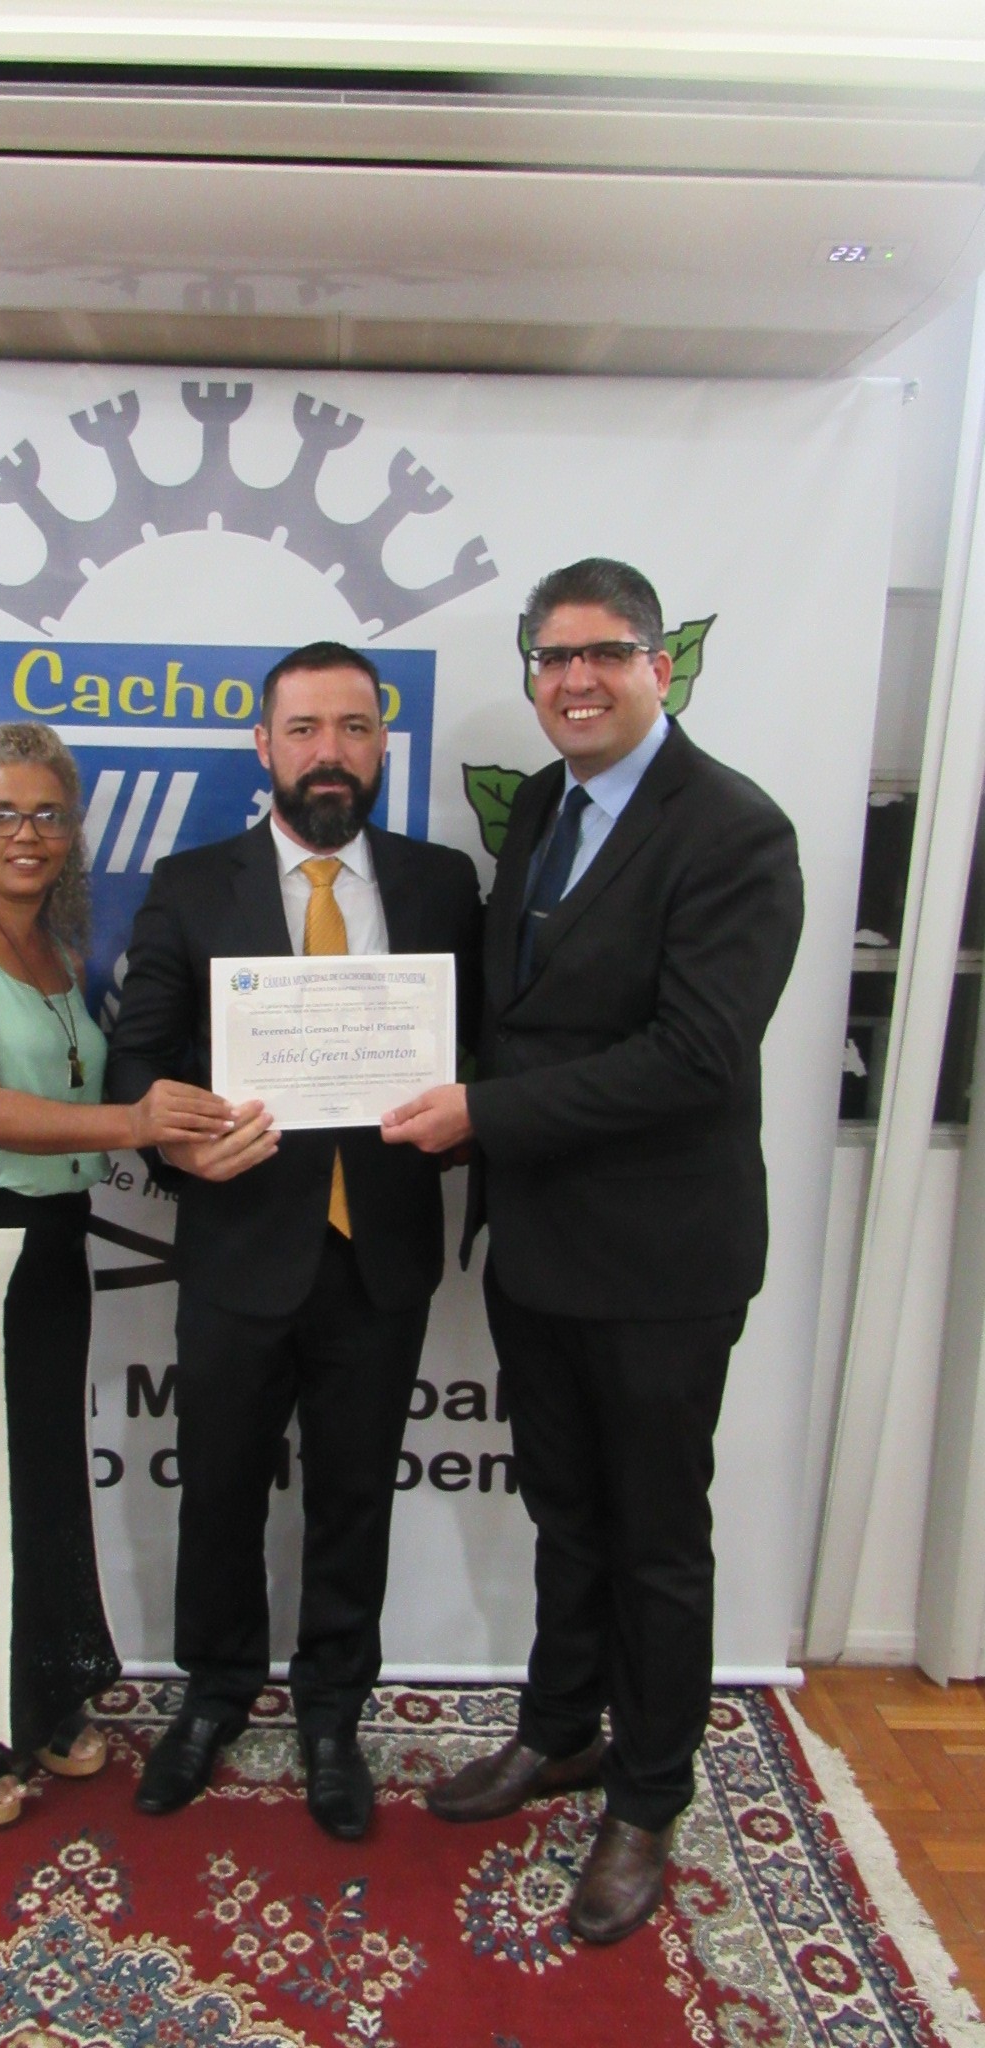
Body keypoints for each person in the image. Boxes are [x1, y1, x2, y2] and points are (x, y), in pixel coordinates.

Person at [384, 559, 803, 1942]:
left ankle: (648, 1795)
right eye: (552, 656)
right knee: (567, 1515)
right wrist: (437, 1100)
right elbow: (528, 1016)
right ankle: (561, 1727)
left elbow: (694, 1055)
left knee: (656, 1542)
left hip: (663, 1261)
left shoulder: (735, 829)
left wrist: (484, 1112)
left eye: (605, 653)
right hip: (541, 1243)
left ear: (658, 666)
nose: (576, 679)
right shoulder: (544, 808)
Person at [106, 641, 481, 1840]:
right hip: (239, 1243)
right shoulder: (189, 882)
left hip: (380, 1248)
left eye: (353, 728)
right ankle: (212, 1696)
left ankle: (331, 1712)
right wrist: (178, 1144)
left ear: (382, 744)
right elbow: (135, 1060)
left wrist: (466, 1110)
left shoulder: (440, 884)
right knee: (219, 1486)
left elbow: (481, 1051)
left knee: (356, 1494)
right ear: (263, 745)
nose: (331, 752)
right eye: (306, 729)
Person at [0, 721, 231, 1830]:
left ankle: (34, 1697)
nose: (24, 834)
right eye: (1, 812)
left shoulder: (56, 953)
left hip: (48, 1249)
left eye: (46, 814)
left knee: (32, 1489)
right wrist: (138, 1123)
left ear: (74, 830)